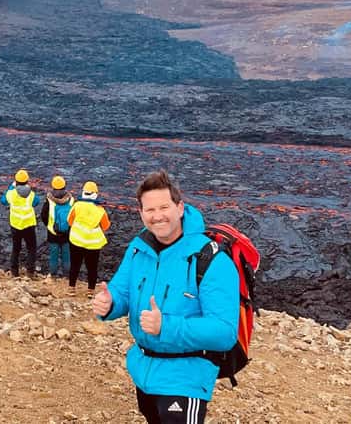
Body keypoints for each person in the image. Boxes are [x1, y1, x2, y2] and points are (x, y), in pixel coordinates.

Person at [92, 170, 239, 424]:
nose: (157, 216)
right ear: (140, 213)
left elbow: (225, 332)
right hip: (145, 371)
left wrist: (165, 326)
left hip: (187, 377)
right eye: (149, 210)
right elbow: (122, 291)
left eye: (164, 207)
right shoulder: (140, 247)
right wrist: (109, 303)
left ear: (180, 208)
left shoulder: (211, 259)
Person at [67, 180, 109, 297]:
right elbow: (106, 226)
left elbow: (69, 221)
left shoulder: (77, 205)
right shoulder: (100, 210)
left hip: (76, 240)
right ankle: (90, 290)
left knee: (75, 264)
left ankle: (71, 288)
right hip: (93, 243)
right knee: (92, 267)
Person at [0, 169, 41, 278]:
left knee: (16, 249)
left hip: (16, 224)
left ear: (16, 181)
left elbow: (3, 201)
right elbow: (37, 202)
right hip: (29, 224)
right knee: (31, 248)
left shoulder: (12, 193)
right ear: (27, 181)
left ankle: (14, 272)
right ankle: (30, 272)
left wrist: (11, 187)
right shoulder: (31, 194)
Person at [39, 175, 74, 278]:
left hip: (52, 234)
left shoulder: (49, 201)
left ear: (53, 186)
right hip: (67, 233)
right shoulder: (71, 200)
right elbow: (74, 216)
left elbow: (43, 215)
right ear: (64, 186)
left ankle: (53, 275)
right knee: (66, 256)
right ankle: (66, 276)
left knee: (53, 256)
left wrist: (49, 225)